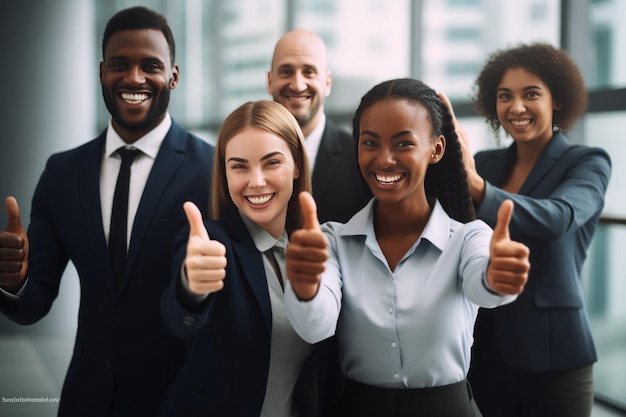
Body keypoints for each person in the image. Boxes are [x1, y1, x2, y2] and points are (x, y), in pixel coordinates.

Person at [0, 6, 214, 416]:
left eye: (150, 65)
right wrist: (14, 281)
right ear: (102, 72)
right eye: (120, 64)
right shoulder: (62, 172)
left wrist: (192, 287)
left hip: (179, 399)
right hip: (88, 397)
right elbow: (34, 301)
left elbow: (207, 308)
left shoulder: (211, 170)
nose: (134, 78)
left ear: (174, 75)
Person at [283, 78, 531, 417]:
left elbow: (484, 286)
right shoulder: (333, 241)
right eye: (370, 143)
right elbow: (316, 328)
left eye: (403, 144)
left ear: (436, 149)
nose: (384, 160)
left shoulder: (468, 238)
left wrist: (497, 278)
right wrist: (306, 287)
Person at [440, 42, 612, 417]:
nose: (515, 107)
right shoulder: (484, 163)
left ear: (558, 100)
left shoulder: (587, 162)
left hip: (556, 357)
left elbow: (558, 216)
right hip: (485, 349)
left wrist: (479, 188)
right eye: (505, 96)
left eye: (530, 94)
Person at [160, 100, 339, 417]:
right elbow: (179, 318)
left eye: (271, 163)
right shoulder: (212, 242)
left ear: (297, 164)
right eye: (239, 166)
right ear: (225, 173)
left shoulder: (310, 249)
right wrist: (192, 287)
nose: (256, 181)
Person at [267, 29, 371, 223]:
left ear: (327, 82)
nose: (298, 85)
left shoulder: (359, 156)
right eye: (286, 72)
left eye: (309, 72)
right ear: (270, 81)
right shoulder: (245, 158)